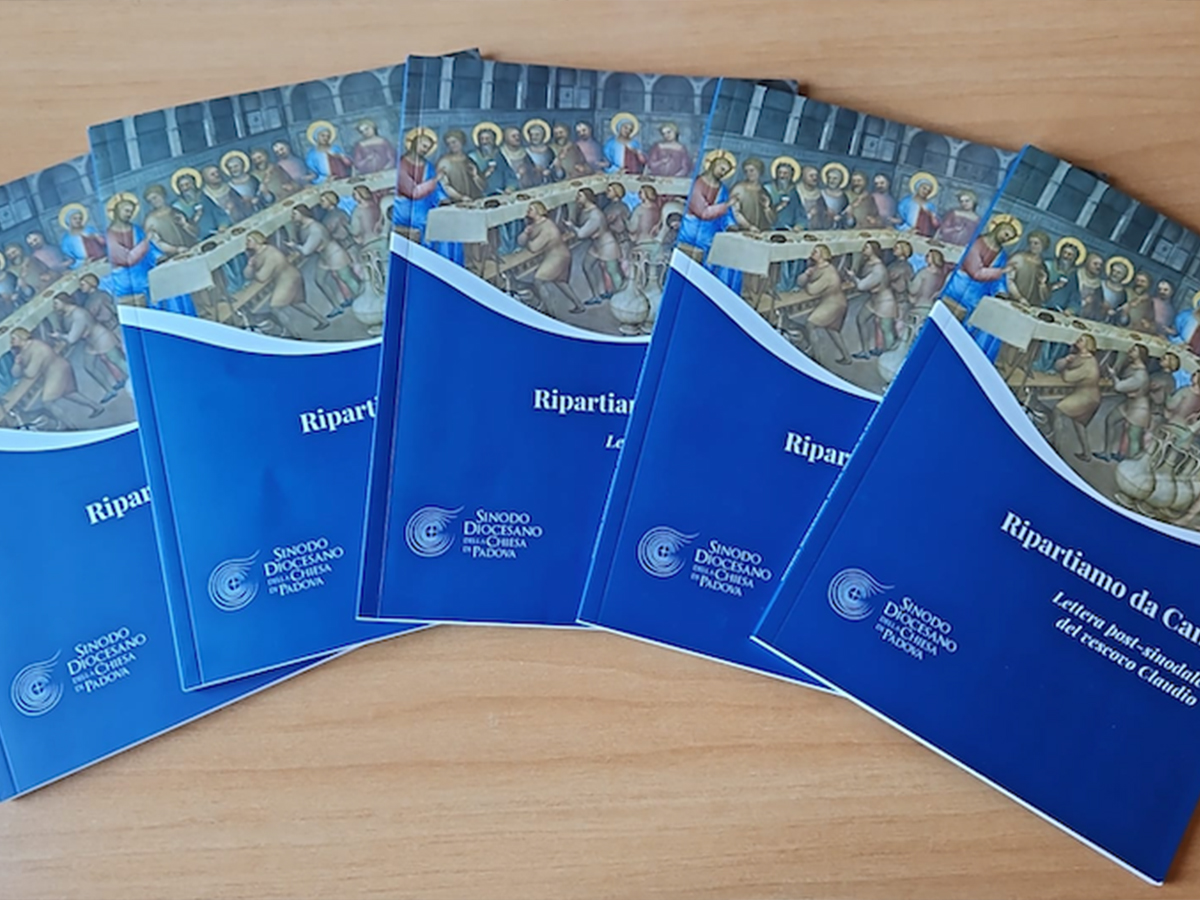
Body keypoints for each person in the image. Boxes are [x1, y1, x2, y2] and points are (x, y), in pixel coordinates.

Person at [4, 326, 105, 423]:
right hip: (58, 369)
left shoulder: (36, 347)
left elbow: (31, 373)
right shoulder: (23, 351)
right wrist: (17, 363)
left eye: (13, 338)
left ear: (22, 337)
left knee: (48, 402)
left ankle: (69, 426)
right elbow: (15, 374)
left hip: (57, 371)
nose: (11, 341)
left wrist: (21, 366)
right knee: (70, 393)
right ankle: (97, 407)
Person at [242, 230, 329, 335]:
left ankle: (294, 335)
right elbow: (247, 275)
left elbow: (262, 277)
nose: (247, 243)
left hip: (288, 279)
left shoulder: (270, 253)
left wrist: (252, 266)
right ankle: (322, 320)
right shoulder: (258, 254)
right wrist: (250, 266)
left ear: (257, 241)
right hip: (291, 277)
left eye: (249, 240)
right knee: (298, 303)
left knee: (275, 308)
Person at [48, 292, 127, 402]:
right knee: (89, 366)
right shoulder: (68, 314)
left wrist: (59, 336)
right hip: (91, 342)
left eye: (56, 303)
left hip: (101, 338)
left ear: (64, 302)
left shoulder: (78, 314)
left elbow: (72, 338)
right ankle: (110, 391)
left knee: (116, 360)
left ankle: (136, 376)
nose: (55, 306)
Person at [286, 204, 362, 315]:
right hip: (324, 257)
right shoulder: (304, 227)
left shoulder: (315, 228)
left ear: (303, 214)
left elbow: (306, 251)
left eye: (295, 214)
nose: (292, 216)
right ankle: (337, 307)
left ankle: (362, 299)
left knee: (347, 278)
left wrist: (294, 246)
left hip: (335, 254)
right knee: (319, 280)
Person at [784, 243, 851, 365]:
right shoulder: (817, 268)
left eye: (815, 252)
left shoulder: (829, 271)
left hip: (835, 304)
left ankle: (817, 358)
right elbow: (800, 282)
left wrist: (808, 280)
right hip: (833, 302)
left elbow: (812, 290)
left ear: (823, 255)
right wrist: (806, 275)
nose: (812, 253)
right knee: (832, 330)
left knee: (810, 324)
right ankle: (847, 357)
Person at [516, 201, 585, 315]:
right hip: (558, 255)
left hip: (558, 256)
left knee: (538, 280)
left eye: (531, 209)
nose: (528, 211)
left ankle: (550, 312)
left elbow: (534, 247)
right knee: (560, 282)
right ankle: (579, 305)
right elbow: (520, 241)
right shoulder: (535, 224)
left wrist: (527, 236)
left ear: (538, 212)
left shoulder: (547, 226)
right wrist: (525, 234)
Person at [568, 187, 625, 302]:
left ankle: (623, 297)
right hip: (597, 245)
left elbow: (581, 234)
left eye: (580, 196)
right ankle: (596, 296)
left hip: (607, 245)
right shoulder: (585, 210)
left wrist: (571, 226)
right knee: (587, 265)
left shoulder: (595, 214)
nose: (577, 198)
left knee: (613, 271)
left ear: (587, 198)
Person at [1052, 333, 1102, 462]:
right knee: (1079, 423)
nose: (1077, 341)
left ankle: (1056, 449)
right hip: (1087, 395)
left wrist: (1065, 366)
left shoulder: (1089, 362)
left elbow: (1068, 377)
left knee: (1058, 410)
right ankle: (1087, 454)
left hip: (1087, 397)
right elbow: (1057, 365)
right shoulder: (1080, 356)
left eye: (1081, 340)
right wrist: (1065, 361)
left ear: (1088, 345)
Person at [1100, 343, 1150, 461]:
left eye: (1134, 350)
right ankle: (1107, 453)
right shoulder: (1132, 367)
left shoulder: (1140, 375)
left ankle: (1132, 463)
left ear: (1140, 355)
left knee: (1133, 437)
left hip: (1139, 409)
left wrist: (1113, 375)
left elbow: (1119, 387)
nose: (1130, 351)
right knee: (1110, 420)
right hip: (1129, 404)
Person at [678, 153, 734, 258]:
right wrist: (726, 205)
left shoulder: (723, 189)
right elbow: (703, 213)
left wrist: (731, 226)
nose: (723, 173)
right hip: (692, 228)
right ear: (713, 164)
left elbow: (728, 213)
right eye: (722, 169)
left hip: (712, 230)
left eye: (726, 172)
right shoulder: (697, 184)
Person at [849, 240, 899, 358]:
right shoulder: (869, 263)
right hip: (874, 300)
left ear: (873, 250)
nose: (863, 249)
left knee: (886, 329)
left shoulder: (878, 269)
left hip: (885, 301)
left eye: (866, 247)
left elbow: (861, 286)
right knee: (861, 319)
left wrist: (853, 277)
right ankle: (865, 351)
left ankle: (891, 356)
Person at [394, 129, 440, 238]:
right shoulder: (401, 165)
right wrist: (435, 180)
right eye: (423, 146)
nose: (425, 150)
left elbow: (438, 189)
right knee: (425, 224)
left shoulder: (428, 166)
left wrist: (443, 199)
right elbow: (413, 192)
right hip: (404, 206)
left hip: (424, 205)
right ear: (414, 143)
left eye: (428, 148)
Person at [143, 184, 194, 256]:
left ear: (162, 195)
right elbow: (155, 243)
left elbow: (194, 231)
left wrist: (185, 225)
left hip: (190, 248)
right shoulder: (150, 220)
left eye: (155, 198)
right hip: (173, 256)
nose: (153, 202)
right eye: (150, 201)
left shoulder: (175, 211)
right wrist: (176, 249)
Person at [469, 123, 519, 196]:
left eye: (487, 139)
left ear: (493, 140)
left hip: (501, 194)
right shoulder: (473, 157)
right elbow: (470, 180)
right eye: (482, 139)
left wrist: (509, 187)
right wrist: (486, 172)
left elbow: (509, 174)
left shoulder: (498, 156)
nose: (484, 142)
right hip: (482, 195)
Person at [435, 129, 485, 202]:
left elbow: (483, 187)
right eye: (448, 144)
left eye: (454, 142)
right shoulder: (443, 162)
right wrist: (461, 197)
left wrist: (475, 176)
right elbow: (444, 186)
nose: (452, 146)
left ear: (461, 141)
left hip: (474, 200)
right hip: (456, 202)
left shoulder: (469, 160)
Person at [1005, 230, 1051, 306]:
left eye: (1036, 243)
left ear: (1043, 245)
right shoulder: (1018, 258)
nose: (1032, 245)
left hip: (1031, 306)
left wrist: (1042, 284)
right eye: (1030, 243)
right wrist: (1019, 297)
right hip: (1013, 302)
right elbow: (1008, 280)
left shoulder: (1043, 266)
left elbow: (1044, 298)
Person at [728, 158, 774, 232]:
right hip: (744, 231)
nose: (749, 174)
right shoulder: (738, 189)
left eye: (752, 170)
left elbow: (772, 220)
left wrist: (767, 208)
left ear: (759, 171)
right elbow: (735, 212)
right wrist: (749, 226)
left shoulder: (763, 191)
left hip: (762, 231)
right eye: (746, 171)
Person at [796, 166, 832, 230]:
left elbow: (823, 214)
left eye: (816, 176)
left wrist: (829, 215)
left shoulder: (819, 193)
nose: (815, 178)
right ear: (804, 177)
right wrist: (809, 214)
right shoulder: (796, 192)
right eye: (811, 176)